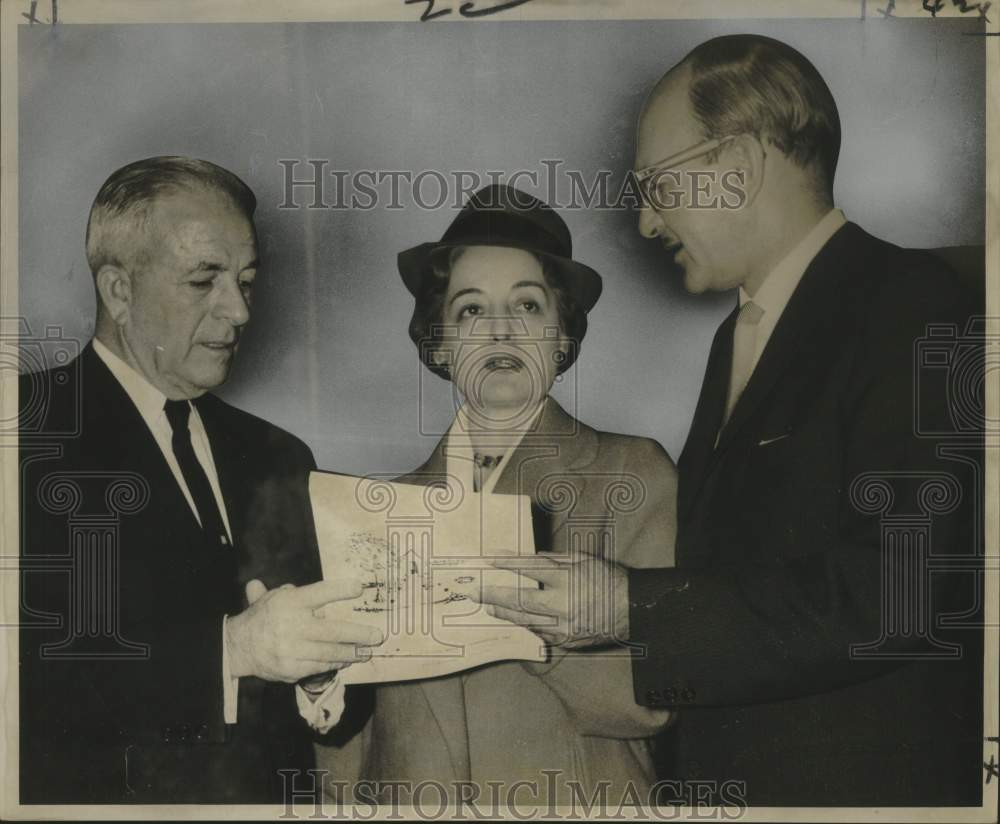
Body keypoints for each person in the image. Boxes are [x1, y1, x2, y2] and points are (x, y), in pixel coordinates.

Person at [479, 36, 983, 806]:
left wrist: (628, 604)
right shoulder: (743, 332)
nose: (647, 222)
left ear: (738, 167)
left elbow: (904, 589)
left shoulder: (912, 303)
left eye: (655, 184)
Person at [18, 156, 382, 803]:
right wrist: (233, 651)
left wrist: (322, 680)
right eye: (203, 281)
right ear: (118, 291)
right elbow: (27, 681)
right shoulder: (24, 436)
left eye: (245, 280)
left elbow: (337, 714)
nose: (239, 311)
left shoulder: (281, 456)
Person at [315, 184, 678, 805]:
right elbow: (348, 747)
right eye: (470, 310)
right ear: (440, 343)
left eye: (529, 306)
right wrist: (322, 679)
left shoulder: (632, 473)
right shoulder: (376, 508)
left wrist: (525, 623)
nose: (501, 330)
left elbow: (652, 703)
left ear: (562, 337)